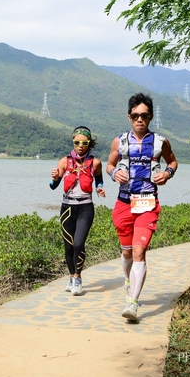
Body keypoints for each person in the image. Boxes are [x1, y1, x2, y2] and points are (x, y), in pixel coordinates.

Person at [106, 93, 178, 321]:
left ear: (151, 117)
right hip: (124, 203)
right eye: (136, 115)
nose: (140, 119)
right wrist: (114, 173)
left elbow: (172, 161)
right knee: (127, 251)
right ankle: (128, 281)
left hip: (148, 203)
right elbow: (109, 164)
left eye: (144, 116)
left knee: (139, 251)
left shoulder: (160, 142)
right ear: (129, 117)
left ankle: (133, 303)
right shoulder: (119, 141)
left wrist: (167, 174)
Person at [50, 126, 105, 295]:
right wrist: (54, 178)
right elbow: (53, 186)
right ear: (73, 142)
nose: (80, 146)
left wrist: (100, 189)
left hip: (85, 207)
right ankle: (71, 277)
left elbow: (99, 180)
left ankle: (78, 277)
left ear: (89, 143)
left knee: (79, 243)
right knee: (68, 246)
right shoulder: (64, 162)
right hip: (67, 208)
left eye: (84, 143)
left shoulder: (95, 163)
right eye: (77, 142)